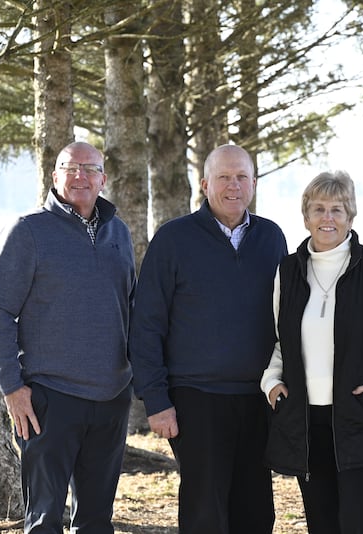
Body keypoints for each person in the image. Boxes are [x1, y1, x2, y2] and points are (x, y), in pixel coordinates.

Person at [261, 171, 363, 533]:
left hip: (362, 417)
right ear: (306, 217)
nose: (328, 218)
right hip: (306, 422)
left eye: (337, 209)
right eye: (319, 209)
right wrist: (272, 382)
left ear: (351, 217)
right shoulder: (287, 272)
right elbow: (279, 342)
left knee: (358, 522)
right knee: (321, 522)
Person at [0, 142, 136, 533]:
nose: (80, 176)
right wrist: (12, 389)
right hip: (49, 399)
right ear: (54, 176)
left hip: (112, 398)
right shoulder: (28, 230)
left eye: (90, 168)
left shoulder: (118, 231)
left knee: (96, 521)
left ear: (103, 179)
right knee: (44, 520)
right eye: (70, 167)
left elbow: (131, 308)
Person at [128, 144, 286, 533]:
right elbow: (146, 324)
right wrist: (156, 400)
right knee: (205, 513)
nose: (234, 186)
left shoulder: (271, 237)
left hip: (258, 398)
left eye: (242, 177)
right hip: (195, 398)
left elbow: (287, 319)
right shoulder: (173, 239)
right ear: (204, 184)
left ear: (253, 183)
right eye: (224, 177)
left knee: (256, 512)